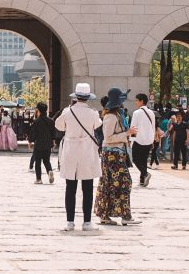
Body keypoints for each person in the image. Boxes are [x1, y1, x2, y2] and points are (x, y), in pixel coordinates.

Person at [54, 83, 102, 232]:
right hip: (87, 151)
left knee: (70, 188)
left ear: (76, 96)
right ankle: (87, 222)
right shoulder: (93, 113)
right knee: (87, 188)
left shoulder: (67, 112)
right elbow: (97, 125)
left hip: (70, 151)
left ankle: (70, 222)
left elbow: (59, 126)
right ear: (87, 97)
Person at [95, 88, 142, 227]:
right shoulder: (110, 117)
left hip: (116, 154)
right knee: (124, 183)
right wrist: (127, 133)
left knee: (109, 184)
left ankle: (106, 215)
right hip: (112, 155)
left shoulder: (116, 115)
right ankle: (124, 215)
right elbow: (108, 138)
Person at [130, 92, 156, 187]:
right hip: (148, 140)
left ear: (142, 101)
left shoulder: (136, 113)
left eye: (137, 100)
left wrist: (131, 140)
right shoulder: (151, 113)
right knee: (144, 160)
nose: (136, 102)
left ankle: (145, 173)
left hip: (138, 140)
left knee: (135, 159)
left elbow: (133, 128)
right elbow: (153, 127)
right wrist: (152, 140)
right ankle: (142, 180)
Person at [29, 102, 55, 184]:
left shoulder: (36, 121)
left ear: (39, 110)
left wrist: (30, 141)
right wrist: (53, 142)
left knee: (38, 162)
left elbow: (33, 133)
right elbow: (53, 133)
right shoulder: (51, 121)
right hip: (48, 144)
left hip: (39, 144)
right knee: (47, 161)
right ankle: (49, 171)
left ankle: (38, 179)